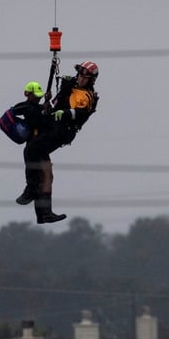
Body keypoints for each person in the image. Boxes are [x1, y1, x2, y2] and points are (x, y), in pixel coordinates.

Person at [17, 61, 100, 224]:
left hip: (61, 131)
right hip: (51, 125)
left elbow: (80, 112)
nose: (81, 79)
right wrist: (49, 103)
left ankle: (31, 189)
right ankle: (44, 213)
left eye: (85, 77)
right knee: (45, 171)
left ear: (91, 80)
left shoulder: (87, 95)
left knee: (31, 151)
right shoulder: (69, 86)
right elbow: (56, 103)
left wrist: (66, 113)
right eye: (80, 75)